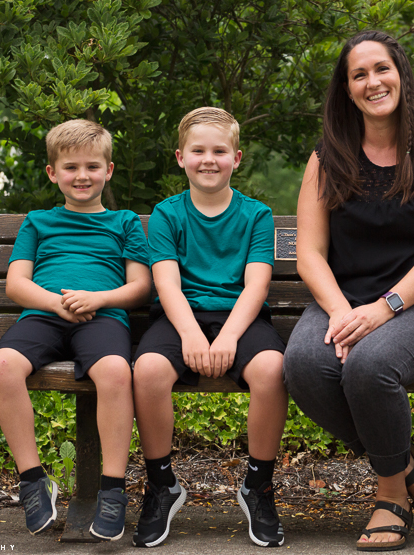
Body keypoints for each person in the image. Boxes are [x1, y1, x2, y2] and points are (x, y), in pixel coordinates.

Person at [283, 30, 414, 551]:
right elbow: (310, 254)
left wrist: (382, 310)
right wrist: (346, 312)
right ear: (346, 89)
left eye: (381, 69)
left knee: (370, 364)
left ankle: (390, 493)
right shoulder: (328, 156)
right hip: (344, 299)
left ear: (401, 75)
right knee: (303, 363)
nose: (372, 82)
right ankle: (410, 466)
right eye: (359, 74)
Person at [0, 119, 151, 540]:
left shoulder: (125, 222)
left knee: (115, 372)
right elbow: (17, 284)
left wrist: (99, 299)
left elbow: (140, 287)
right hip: (43, 315)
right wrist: (57, 303)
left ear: (108, 171)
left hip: (103, 317)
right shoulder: (39, 222)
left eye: (92, 167)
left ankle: (112, 489)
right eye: (71, 167)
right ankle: (33, 480)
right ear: (52, 173)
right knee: (2, 364)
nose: (82, 176)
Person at [132, 107, 288, 548]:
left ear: (236, 159)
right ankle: (162, 484)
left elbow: (256, 287)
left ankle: (258, 484)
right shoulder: (167, 214)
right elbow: (167, 284)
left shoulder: (256, 215)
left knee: (272, 371)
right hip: (179, 318)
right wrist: (193, 335)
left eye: (220, 151)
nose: (208, 159)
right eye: (197, 150)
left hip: (241, 317)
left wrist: (227, 337)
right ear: (180, 157)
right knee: (146, 372)